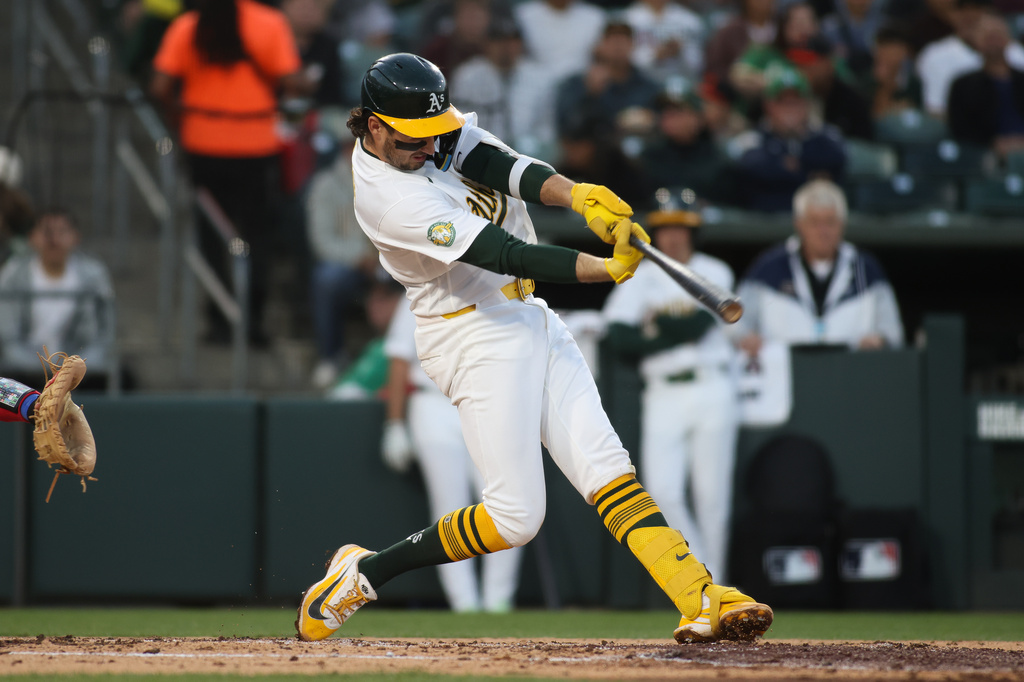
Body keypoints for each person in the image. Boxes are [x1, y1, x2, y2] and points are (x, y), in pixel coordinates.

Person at [296, 52, 772, 645]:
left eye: (434, 131)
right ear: (374, 127)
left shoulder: (428, 134)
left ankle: (697, 595)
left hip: (526, 315)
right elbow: (503, 253)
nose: (430, 146)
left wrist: (579, 196)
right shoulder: (386, 196)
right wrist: (604, 269)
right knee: (515, 516)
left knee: (608, 469)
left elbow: (499, 165)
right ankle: (366, 573)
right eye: (415, 137)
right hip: (470, 331)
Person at [601, 188, 740, 583]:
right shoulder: (639, 277)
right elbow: (617, 338)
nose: (673, 237)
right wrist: (668, 331)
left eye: (681, 228)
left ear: (693, 232)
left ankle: (718, 589)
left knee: (712, 498)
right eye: (665, 229)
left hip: (712, 387)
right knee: (662, 492)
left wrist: (655, 325)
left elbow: (698, 324)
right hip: (662, 392)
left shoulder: (715, 270)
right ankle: (706, 583)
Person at [150, 0, 306, 347]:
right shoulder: (270, 23)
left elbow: (160, 86)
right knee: (256, 237)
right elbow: (292, 82)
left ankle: (220, 321)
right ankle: (252, 323)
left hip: (202, 144)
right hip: (257, 146)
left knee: (211, 237)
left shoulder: (189, 25)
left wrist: (180, 120)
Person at [381, 301, 524, 612]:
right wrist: (394, 424)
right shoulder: (417, 293)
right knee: (449, 505)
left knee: (505, 501)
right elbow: (399, 358)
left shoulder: (490, 287)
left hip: (487, 402)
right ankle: (464, 603)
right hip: (433, 403)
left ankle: (498, 600)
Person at [732, 178, 904, 356]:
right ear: (799, 224)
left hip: (851, 369)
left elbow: (892, 332)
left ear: (842, 224)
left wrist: (879, 340)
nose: (823, 232)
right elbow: (736, 325)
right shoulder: (768, 268)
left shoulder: (865, 269)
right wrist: (747, 339)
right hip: (783, 369)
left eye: (830, 222)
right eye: (814, 222)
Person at [0, 210, 115, 391]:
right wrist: (45, 372)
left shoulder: (94, 276)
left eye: (62, 231)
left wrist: (71, 372)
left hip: (79, 376)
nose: (54, 239)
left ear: (76, 237)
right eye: (47, 231)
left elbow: (102, 338)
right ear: (32, 237)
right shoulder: (13, 275)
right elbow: (9, 340)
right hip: (25, 373)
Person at [731, 66, 848, 212]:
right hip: (764, 221)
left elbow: (837, 158)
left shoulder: (826, 135)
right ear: (768, 105)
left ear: (807, 104)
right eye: (782, 102)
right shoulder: (752, 138)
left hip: (814, 219)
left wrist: (787, 167)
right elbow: (750, 167)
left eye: (795, 102)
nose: (790, 109)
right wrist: (808, 174)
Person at [450, 16, 558, 162]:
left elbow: (546, 131)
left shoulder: (540, 77)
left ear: (520, 44)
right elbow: (459, 124)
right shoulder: (467, 76)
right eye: (498, 40)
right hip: (480, 154)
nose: (505, 46)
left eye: (512, 40)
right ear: (486, 44)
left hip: (528, 157)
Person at [916, 0, 1024, 118]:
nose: (969, 15)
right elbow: (935, 110)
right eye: (962, 9)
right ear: (951, 15)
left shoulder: (1015, 51)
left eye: (976, 8)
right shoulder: (934, 54)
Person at [947, 14, 1024, 160]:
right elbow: (960, 127)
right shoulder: (963, 85)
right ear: (976, 42)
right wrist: (993, 143)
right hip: (986, 153)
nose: (993, 42)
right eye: (988, 38)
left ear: (1008, 39)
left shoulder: (1021, 79)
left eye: (997, 36)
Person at [623, 0, 707, 85]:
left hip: (683, 82)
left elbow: (697, 65)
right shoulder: (627, 19)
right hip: (640, 84)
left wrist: (680, 51)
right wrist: (654, 56)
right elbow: (623, 60)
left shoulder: (690, 21)